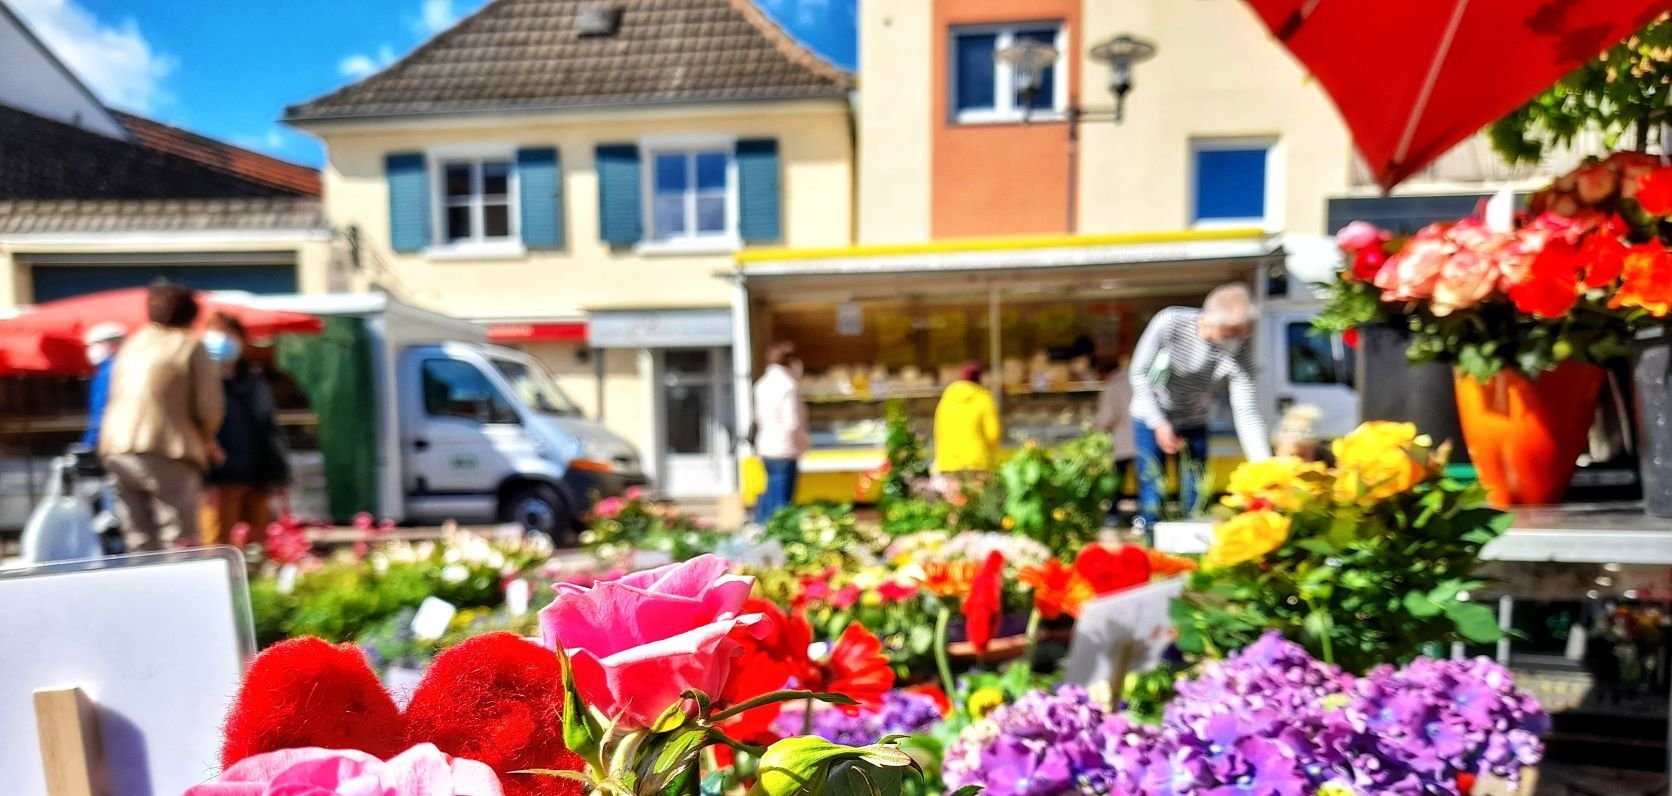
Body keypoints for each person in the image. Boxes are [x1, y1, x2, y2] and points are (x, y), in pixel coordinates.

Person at [1129, 283, 1271, 529]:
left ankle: (1191, 538)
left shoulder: (1240, 357)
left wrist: (1265, 467)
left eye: (1243, 334)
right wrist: (1158, 422)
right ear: (1208, 322)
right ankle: (1150, 534)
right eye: (1230, 334)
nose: (1237, 341)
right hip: (1151, 414)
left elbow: (1247, 413)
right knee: (1153, 482)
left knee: (1197, 485)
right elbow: (1138, 374)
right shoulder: (1170, 323)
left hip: (1194, 418)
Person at [99, 282, 224, 551]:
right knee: (180, 538)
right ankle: (180, 592)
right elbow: (208, 408)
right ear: (192, 313)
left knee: (139, 539)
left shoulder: (133, 343)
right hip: (169, 447)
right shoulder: (190, 346)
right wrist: (207, 439)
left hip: (116, 449)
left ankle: (144, 591)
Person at [200, 314, 289, 546]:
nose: (223, 341)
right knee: (216, 545)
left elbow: (268, 428)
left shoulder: (253, 380)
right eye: (217, 334)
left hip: (256, 475)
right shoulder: (199, 379)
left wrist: (278, 474)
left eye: (229, 335)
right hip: (218, 478)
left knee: (258, 545)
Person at [752, 342, 809, 524]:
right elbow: (791, 422)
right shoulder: (787, 386)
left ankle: (763, 533)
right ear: (792, 362)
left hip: (766, 446)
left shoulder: (762, 383)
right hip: (785, 448)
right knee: (782, 502)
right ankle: (777, 539)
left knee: (770, 493)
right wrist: (804, 444)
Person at [933, 361, 1001, 493]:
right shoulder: (984, 398)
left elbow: (938, 432)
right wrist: (992, 457)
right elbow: (993, 433)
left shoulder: (947, 399)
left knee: (956, 504)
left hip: (949, 461)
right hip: (977, 461)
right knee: (977, 505)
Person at [1094, 358, 1138, 525]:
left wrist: (1096, 429)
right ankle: (1144, 514)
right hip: (1141, 440)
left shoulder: (1113, 386)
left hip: (1122, 441)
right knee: (1143, 480)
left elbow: (1107, 415)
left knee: (1117, 480)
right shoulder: (1138, 379)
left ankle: (1113, 514)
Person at [80, 322, 127, 450]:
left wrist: (88, 444)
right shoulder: (109, 369)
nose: (90, 350)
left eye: (95, 345)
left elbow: (101, 412)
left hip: (112, 441)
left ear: (112, 345)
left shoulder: (110, 371)